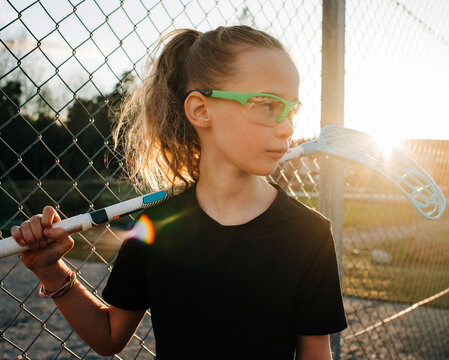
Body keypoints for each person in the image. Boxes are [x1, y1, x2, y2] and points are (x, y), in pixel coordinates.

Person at [10, 25, 347, 359]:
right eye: (267, 105)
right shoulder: (157, 225)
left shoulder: (309, 233)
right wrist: (51, 270)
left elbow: (315, 353)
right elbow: (109, 337)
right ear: (201, 110)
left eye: (291, 109)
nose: (288, 127)